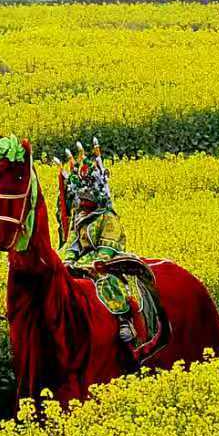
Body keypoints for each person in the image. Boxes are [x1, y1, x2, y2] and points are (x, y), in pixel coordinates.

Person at [59, 140, 150, 348]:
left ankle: (123, 319)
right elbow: (73, 242)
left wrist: (97, 262)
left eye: (86, 195)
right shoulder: (79, 217)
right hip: (83, 260)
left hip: (108, 260)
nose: (82, 200)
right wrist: (68, 260)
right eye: (80, 195)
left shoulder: (107, 216)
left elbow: (108, 245)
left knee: (107, 280)